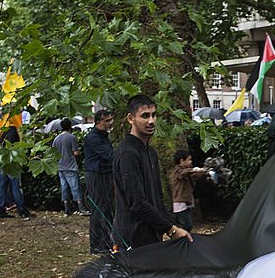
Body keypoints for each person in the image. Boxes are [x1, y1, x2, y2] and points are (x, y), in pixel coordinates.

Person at [113, 94, 191, 248]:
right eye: (145, 116)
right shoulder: (127, 153)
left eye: (154, 115)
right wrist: (171, 229)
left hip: (151, 235)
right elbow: (137, 202)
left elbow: (157, 200)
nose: (151, 121)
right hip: (133, 238)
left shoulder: (150, 153)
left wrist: (171, 225)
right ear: (131, 118)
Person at [83, 108, 115, 254]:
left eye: (110, 119)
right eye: (107, 120)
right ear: (98, 122)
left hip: (105, 173)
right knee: (99, 209)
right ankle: (96, 245)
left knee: (106, 208)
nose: (110, 123)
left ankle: (106, 242)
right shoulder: (93, 137)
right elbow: (108, 154)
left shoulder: (103, 135)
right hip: (96, 174)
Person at [0, 116, 34, 220]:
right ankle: (21, 208)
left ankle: (0, 208)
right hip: (12, 162)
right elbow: (16, 146)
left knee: (3, 186)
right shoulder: (13, 131)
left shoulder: (2, 132)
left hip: (3, 162)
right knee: (16, 186)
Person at [51, 118, 89, 216]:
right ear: (70, 126)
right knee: (75, 188)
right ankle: (81, 208)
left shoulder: (56, 139)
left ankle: (66, 208)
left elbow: (54, 153)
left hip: (61, 166)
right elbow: (75, 152)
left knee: (64, 188)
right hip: (71, 166)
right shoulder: (72, 138)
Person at [168, 150, 208, 232]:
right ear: (182, 160)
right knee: (187, 225)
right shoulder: (178, 171)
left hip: (186, 202)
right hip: (180, 203)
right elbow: (186, 172)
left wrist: (205, 171)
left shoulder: (186, 172)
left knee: (186, 225)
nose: (191, 161)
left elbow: (194, 176)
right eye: (189, 159)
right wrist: (196, 169)